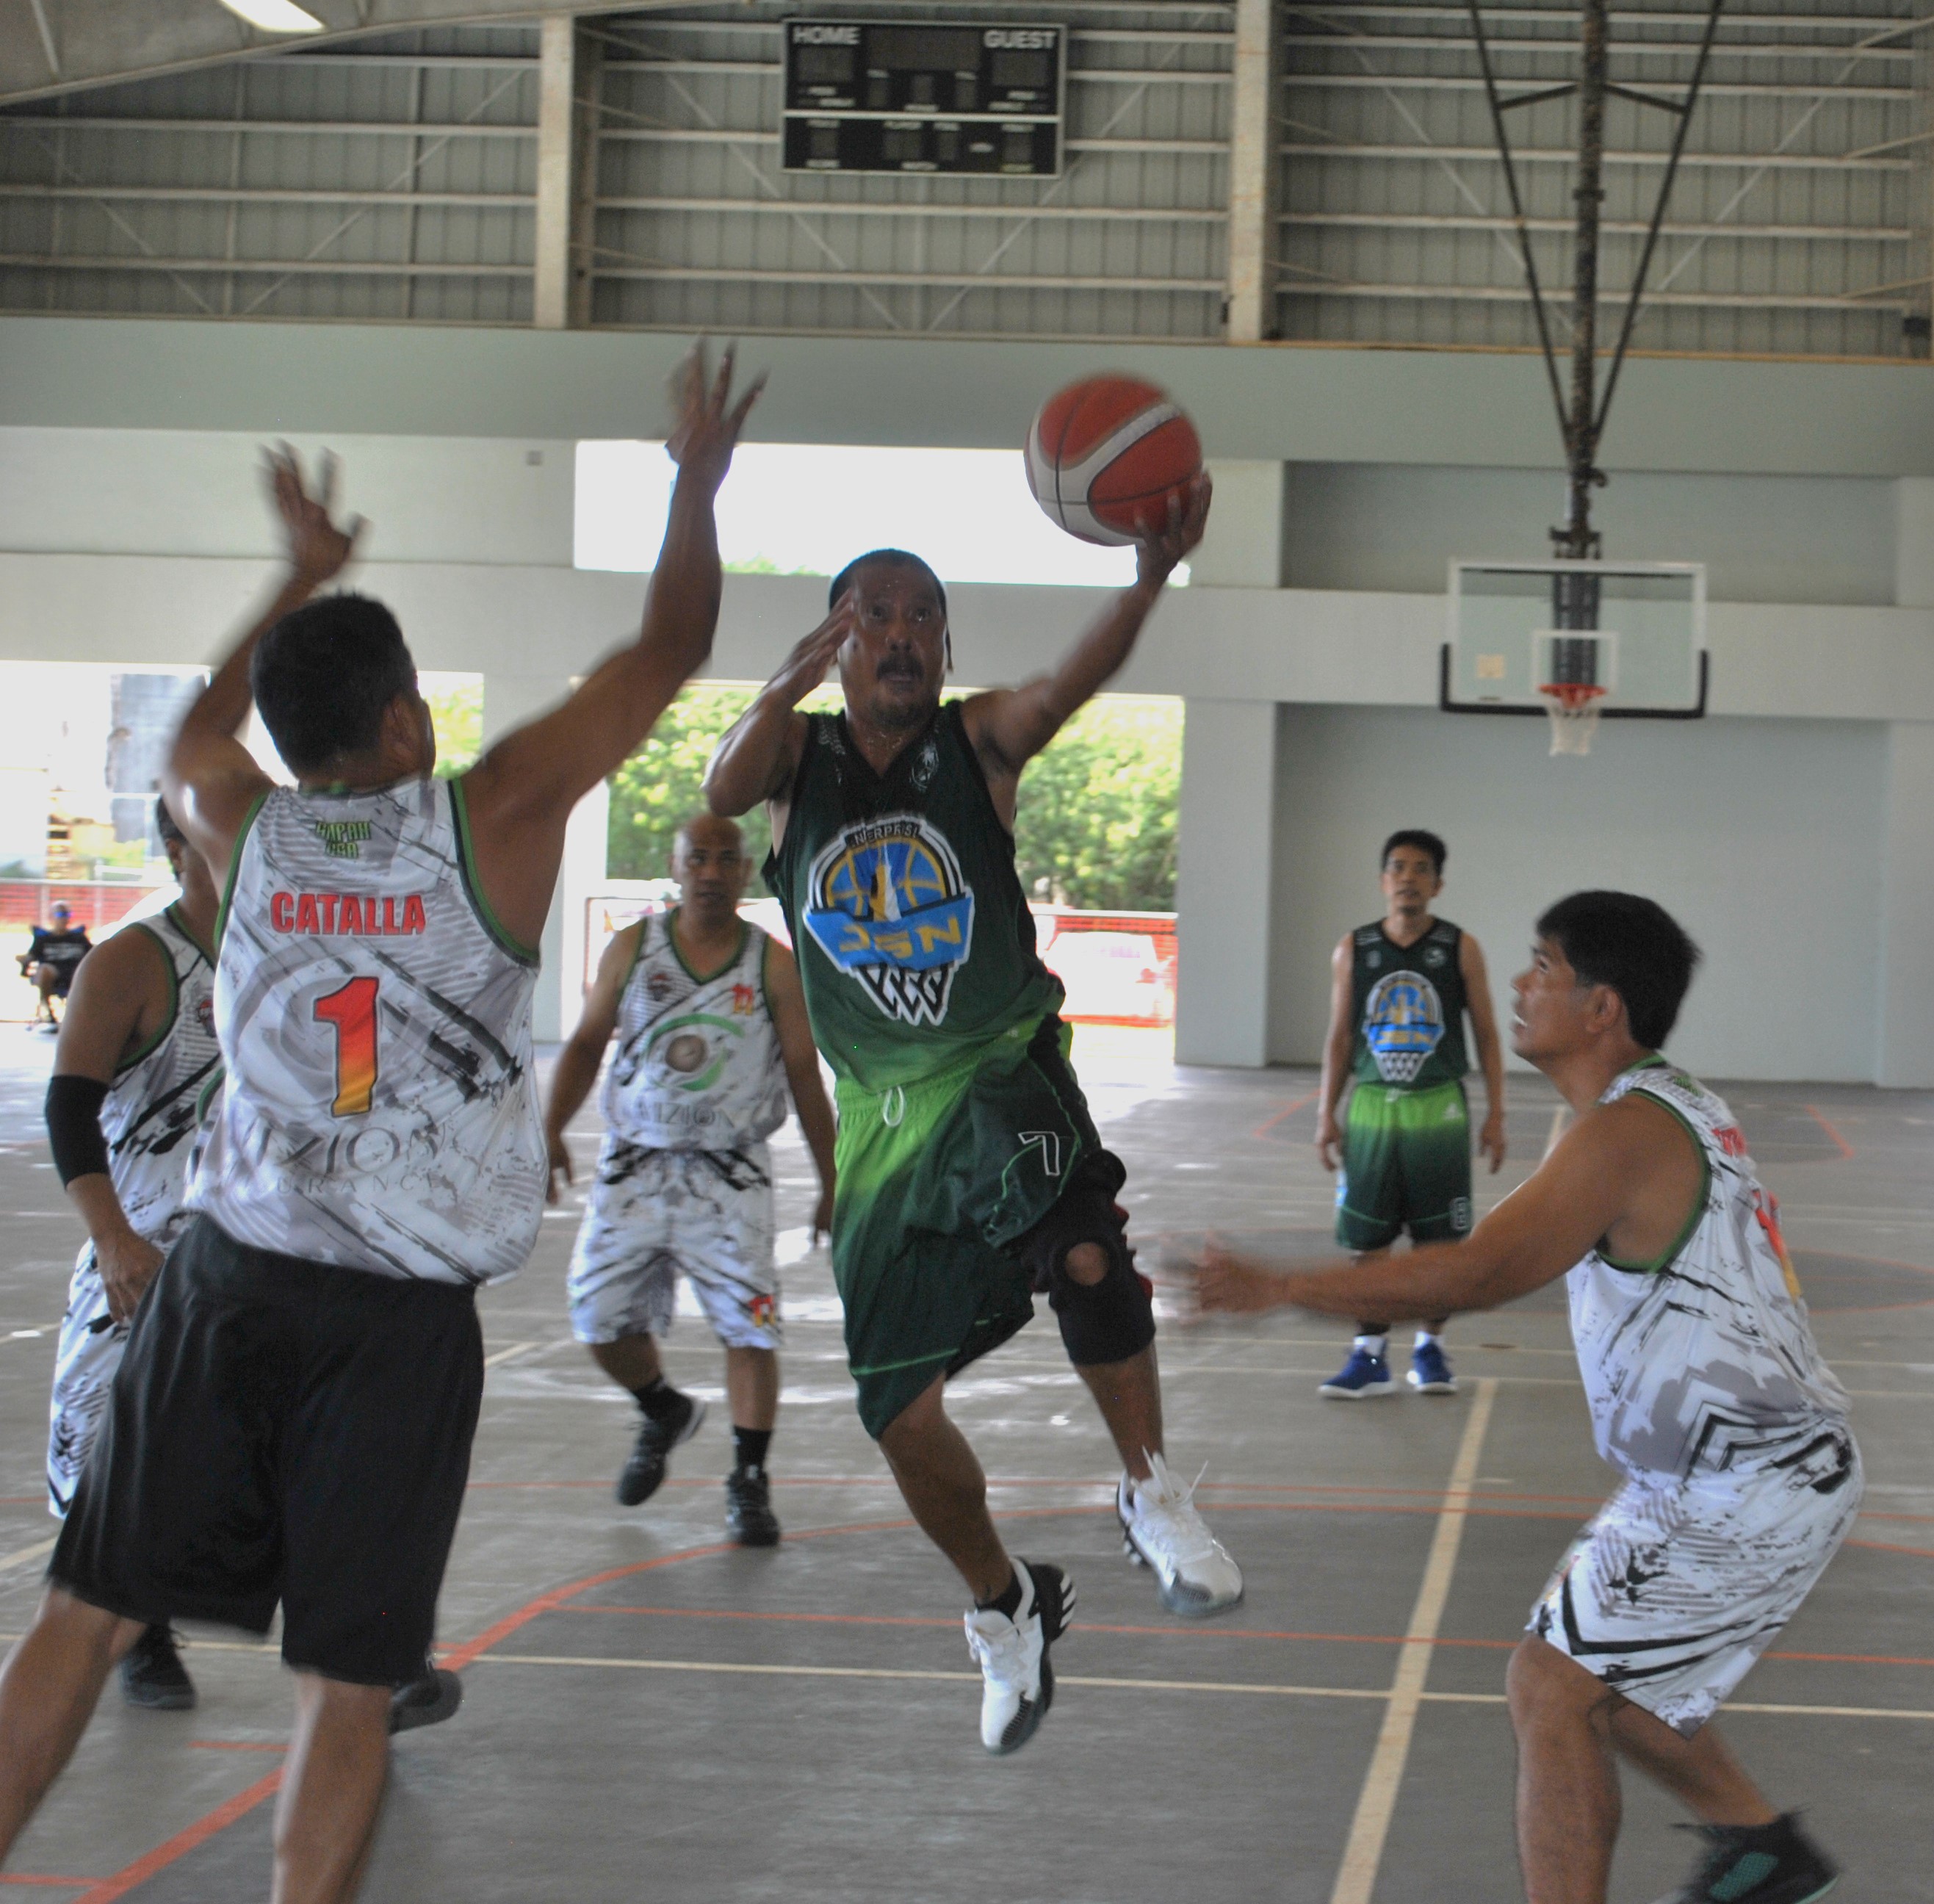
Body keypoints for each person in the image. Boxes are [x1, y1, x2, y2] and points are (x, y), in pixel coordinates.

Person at [0, 345, 757, 1903]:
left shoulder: (243, 822)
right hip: (395, 1327)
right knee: (346, 1688)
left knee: (80, 1611)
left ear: (289, 733)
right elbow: (671, 646)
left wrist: (293, 575)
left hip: (225, 1283)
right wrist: (691, 478)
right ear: (406, 716)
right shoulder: (494, 814)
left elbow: (187, 741)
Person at [704, 497, 1243, 1759]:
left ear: (946, 648)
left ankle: (1150, 1490)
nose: (902, 635)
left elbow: (1069, 678)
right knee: (897, 1413)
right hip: (886, 1127)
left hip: (997, 1070)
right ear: (839, 641)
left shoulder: (977, 744)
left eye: (923, 617)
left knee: (1086, 1258)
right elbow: (723, 778)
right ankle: (1006, 1608)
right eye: (876, 615)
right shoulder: (797, 765)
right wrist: (790, 669)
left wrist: (1150, 575)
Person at [1197, 891, 1858, 1904]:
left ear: (1602, 1007)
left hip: (1753, 1477)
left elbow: (1474, 1274)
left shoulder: (1626, 1134)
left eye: (1543, 966)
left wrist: (1282, 1288)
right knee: (1614, 1694)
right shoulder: (1653, 1106)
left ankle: (1754, 1848)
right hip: (1707, 1477)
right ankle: (1762, 1847)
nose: (1518, 984)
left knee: (1550, 1686)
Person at [545, 812, 837, 1546]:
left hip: (729, 1176)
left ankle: (748, 1480)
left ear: (744, 872)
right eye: (696, 857)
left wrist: (836, 1180)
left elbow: (804, 1075)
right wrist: (547, 1130)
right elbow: (583, 1045)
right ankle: (661, 1409)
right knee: (596, 1315)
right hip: (632, 1166)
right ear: (674, 868)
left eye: (725, 859)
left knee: (751, 1325)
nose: (710, 871)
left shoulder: (770, 964)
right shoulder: (632, 949)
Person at [43, 798, 220, 1712]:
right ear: (177, 846)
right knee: (100, 1445)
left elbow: (347, 1100)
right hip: (147, 1244)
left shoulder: (302, 960)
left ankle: (368, 1654)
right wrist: (111, 1236)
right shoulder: (132, 960)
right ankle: (134, 1623)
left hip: (266, 1251)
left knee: (318, 1452)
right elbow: (68, 1108)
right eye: (216, 828)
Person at [1312, 829, 1507, 1399]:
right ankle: (1368, 1356)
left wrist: (1496, 1114)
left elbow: (1489, 1036)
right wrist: (1326, 1113)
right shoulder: (1354, 947)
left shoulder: (1459, 947)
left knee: (1438, 1245)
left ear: (1437, 884)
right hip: (1371, 1109)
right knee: (1367, 1243)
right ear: (1382, 881)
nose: (1407, 878)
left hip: (1438, 1108)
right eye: (1397, 867)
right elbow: (1340, 1037)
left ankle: (1430, 1349)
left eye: (1421, 869)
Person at [20, 904, 92, 1030]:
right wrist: (23, 961)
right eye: (60, 915)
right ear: (52, 917)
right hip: (53, 973)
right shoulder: (43, 939)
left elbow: (93, 954)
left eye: (67, 915)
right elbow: (31, 956)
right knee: (44, 970)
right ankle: (49, 1014)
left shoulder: (78, 938)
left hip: (76, 973)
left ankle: (83, 1017)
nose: (64, 918)